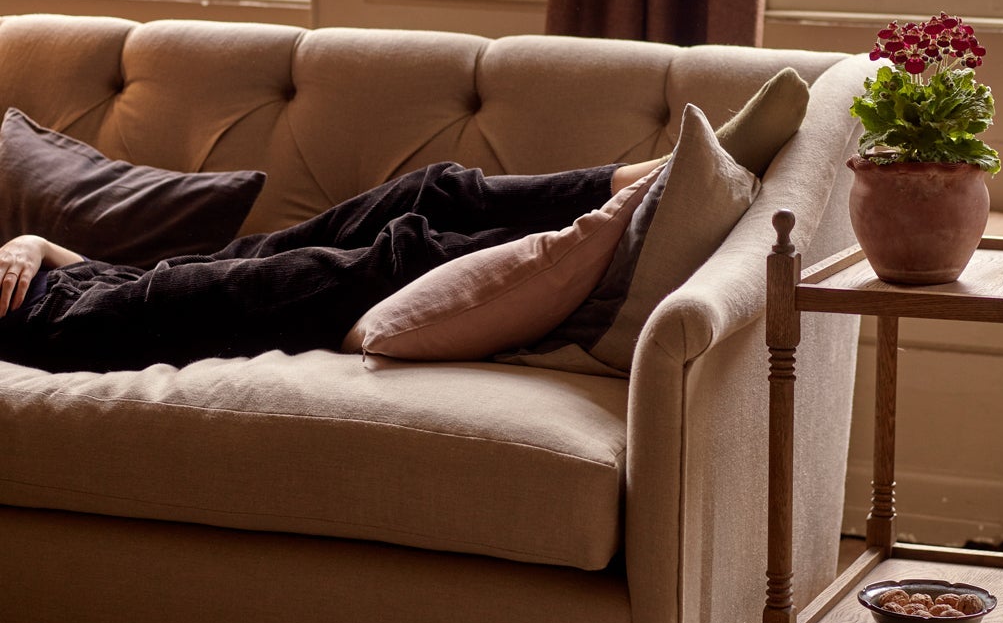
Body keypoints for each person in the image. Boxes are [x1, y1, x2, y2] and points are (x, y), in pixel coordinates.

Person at [0, 154, 666, 376]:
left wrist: (30, 243)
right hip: (78, 327)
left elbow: (86, 266)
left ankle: (649, 175)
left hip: (112, 282)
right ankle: (611, 247)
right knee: (366, 268)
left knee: (424, 192)